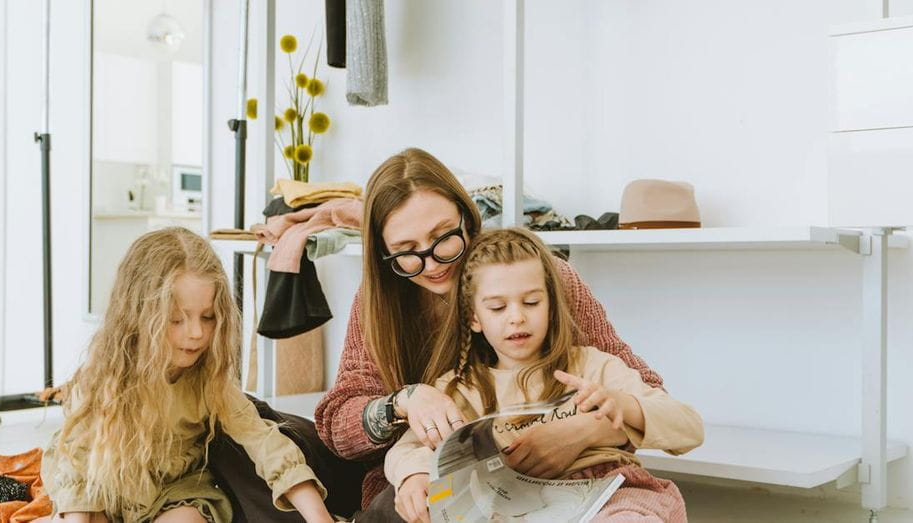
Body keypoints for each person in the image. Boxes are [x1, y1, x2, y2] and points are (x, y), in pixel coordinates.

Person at [314, 148, 667, 518]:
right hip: (429, 483)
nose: (432, 262)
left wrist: (584, 432)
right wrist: (404, 402)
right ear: (383, 254)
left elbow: (646, 390)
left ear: (468, 217)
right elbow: (338, 427)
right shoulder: (379, 302)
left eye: (442, 237)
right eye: (406, 251)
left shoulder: (542, 277)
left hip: (557, 481)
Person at [385, 227, 704, 522]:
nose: (517, 318)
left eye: (532, 302)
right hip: (512, 506)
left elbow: (689, 427)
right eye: (497, 308)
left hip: (608, 494)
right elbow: (408, 447)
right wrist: (413, 475)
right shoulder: (459, 388)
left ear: (552, 307)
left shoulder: (593, 366)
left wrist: (622, 405)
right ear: (474, 318)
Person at [40, 228, 333, 523]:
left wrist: (319, 518)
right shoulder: (105, 374)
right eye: (176, 319)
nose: (196, 333)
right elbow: (76, 465)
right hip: (103, 491)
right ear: (139, 316)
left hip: (175, 493)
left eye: (207, 317)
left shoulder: (208, 379)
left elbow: (265, 442)